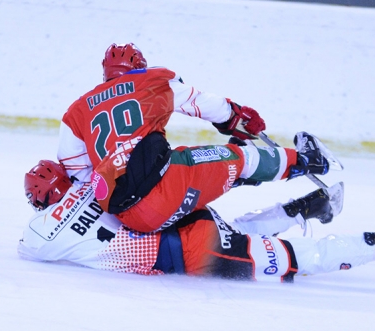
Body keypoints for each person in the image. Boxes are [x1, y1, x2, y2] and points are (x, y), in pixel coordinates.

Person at [56, 43, 338, 234]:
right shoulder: (150, 80)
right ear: (139, 65)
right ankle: (309, 160)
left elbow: (79, 176)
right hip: (167, 186)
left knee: (208, 205)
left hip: (129, 218)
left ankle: (291, 198)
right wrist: (233, 116)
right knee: (240, 158)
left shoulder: (76, 112)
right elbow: (199, 102)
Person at [19, 160, 375, 282]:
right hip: (183, 221)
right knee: (242, 230)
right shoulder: (94, 182)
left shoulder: (39, 237)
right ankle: (306, 206)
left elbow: (28, 248)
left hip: (190, 251)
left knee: (296, 260)